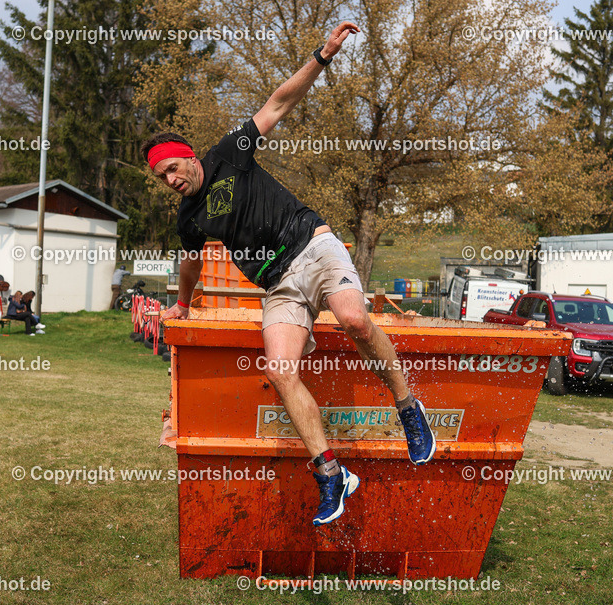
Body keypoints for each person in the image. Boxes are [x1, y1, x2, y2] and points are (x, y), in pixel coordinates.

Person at [152, 21, 435, 527]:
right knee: (280, 371)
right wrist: (182, 301)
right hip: (278, 284)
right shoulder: (188, 219)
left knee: (355, 321)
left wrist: (322, 56)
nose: (172, 181)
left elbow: (278, 103)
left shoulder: (227, 153)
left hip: (313, 245)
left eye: (174, 168)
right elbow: (191, 261)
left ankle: (409, 408)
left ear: (189, 156)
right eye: (163, 178)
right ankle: (331, 474)